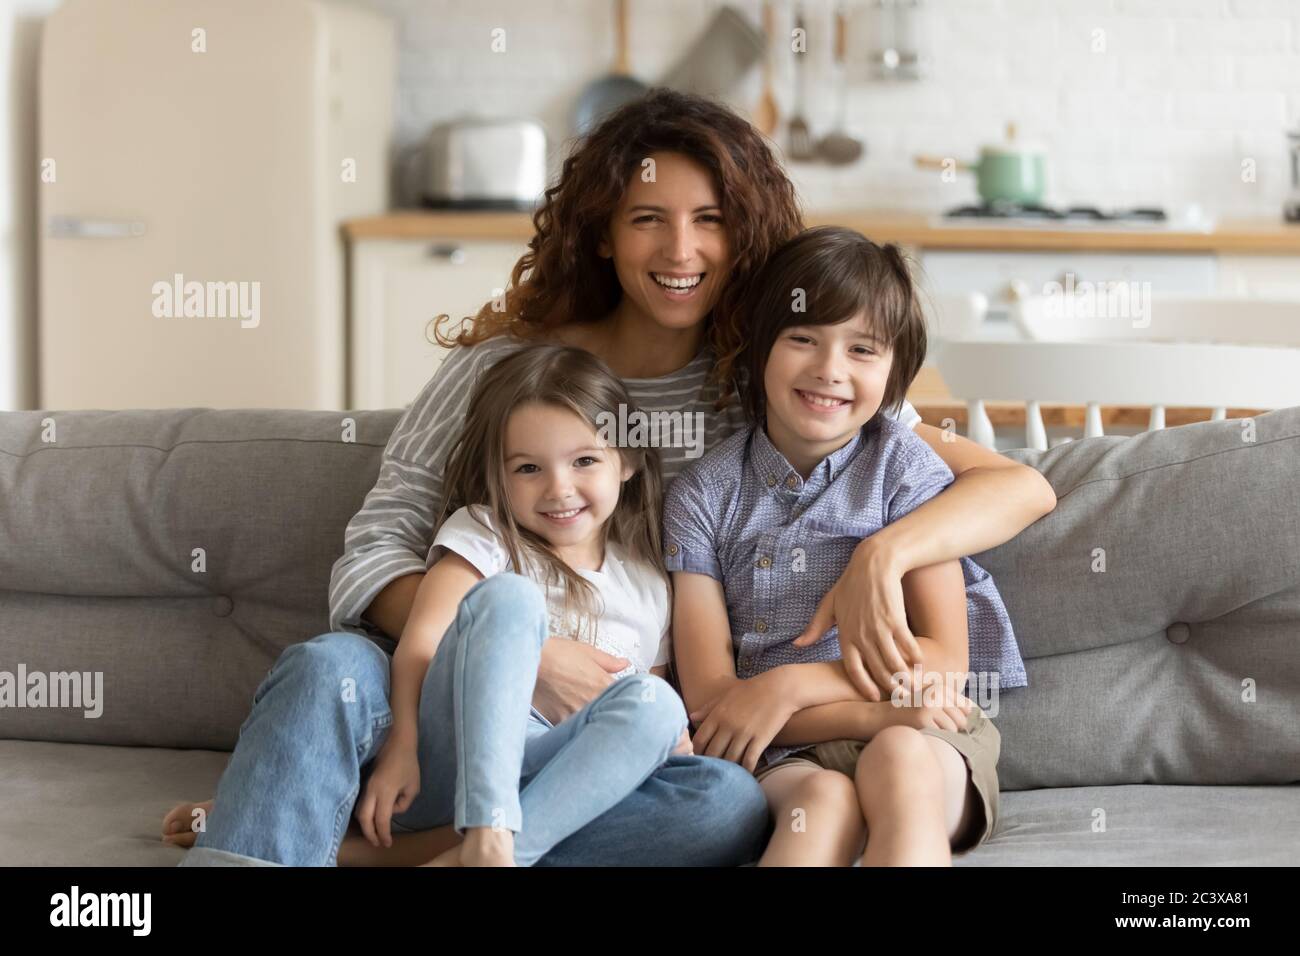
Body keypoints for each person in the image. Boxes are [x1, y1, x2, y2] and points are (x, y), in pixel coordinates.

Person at [164, 88, 1054, 865]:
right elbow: (376, 546)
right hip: (456, 692)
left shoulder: (778, 379)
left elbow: (1007, 485)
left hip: (620, 739)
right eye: (647, 218)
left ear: (746, 236)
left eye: (711, 219)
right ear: (600, 234)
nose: (682, 247)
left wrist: (881, 558)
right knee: (328, 671)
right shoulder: (504, 370)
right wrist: (523, 654)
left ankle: (408, 852)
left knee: (723, 805)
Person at [665, 227, 1029, 866]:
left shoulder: (906, 471)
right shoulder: (702, 495)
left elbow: (941, 666)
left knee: (897, 759)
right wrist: (866, 715)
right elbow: (715, 704)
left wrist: (786, 687)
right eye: (803, 338)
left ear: (894, 374)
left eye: (862, 349)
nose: (829, 370)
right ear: (757, 350)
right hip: (790, 750)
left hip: (926, 735)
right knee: (822, 804)